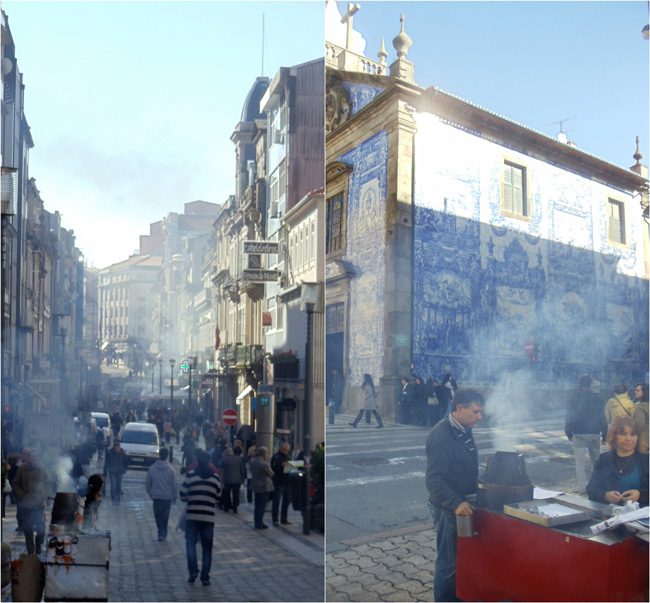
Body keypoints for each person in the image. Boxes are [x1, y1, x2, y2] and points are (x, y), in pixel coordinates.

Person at [426, 389, 485, 603]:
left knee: (460, 560)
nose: (479, 417)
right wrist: (456, 503)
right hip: (447, 509)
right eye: (475, 412)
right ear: (460, 409)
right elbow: (433, 481)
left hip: (462, 503)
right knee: (448, 563)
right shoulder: (441, 436)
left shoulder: (463, 427)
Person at [586, 415, 649, 507]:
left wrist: (640, 494)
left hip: (640, 517)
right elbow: (591, 488)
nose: (628, 439)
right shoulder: (604, 460)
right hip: (610, 515)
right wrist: (606, 495)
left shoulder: (646, 460)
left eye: (633, 434)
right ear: (614, 436)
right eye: (623, 434)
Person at [180, 449, 221, 586]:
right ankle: (205, 576)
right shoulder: (215, 479)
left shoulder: (191, 476)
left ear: (198, 461)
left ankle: (192, 571)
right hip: (208, 518)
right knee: (207, 548)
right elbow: (218, 497)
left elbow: (182, 494)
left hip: (192, 516)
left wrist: (192, 498)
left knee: (190, 545)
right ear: (209, 463)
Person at [565, 374, 607, 491]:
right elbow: (602, 418)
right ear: (590, 384)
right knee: (595, 462)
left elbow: (569, 416)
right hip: (594, 433)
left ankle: (582, 489)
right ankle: (597, 486)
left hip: (579, 434)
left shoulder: (574, 398)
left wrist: (568, 432)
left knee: (580, 464)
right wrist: (605, 434)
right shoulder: (598, 398)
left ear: (580, 384)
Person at [11, 448, 51, 555]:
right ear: (28, 458)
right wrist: (21, 495)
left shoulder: (42, 468)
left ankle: (38, 545)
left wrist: (44, 495)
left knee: (41, 530)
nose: (33, 460)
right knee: (28, 531)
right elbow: (15, 483)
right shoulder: (22, 469)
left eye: (35, 458)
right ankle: (30, 552)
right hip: (26, 505)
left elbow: (49, 483)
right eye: (31, 458)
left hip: (38, 504)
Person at [145, 447, 177, 541]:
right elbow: (174, 484)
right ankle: (164, 532)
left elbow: (147, 482)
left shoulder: (152, 468)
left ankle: (160, 531)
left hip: (157, 496)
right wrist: (175, 495)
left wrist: (149, 492)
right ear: (167, 456)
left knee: (158, 515)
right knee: (165, 516)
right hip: (167, 497)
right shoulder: (171, 469)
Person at [249, 446, 274, 529]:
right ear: (264, 454)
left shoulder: (253, 462)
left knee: (257, 505)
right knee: (262, 506)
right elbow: (271, 474)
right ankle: (260, 523)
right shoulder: (264, 464)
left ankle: (256, 522)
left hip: (256, 486)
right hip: (264, 487)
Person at [270, 441, 292, 526]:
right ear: (281, 448)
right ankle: (275, 519)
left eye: (287, 450)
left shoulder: (288, 457)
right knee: (276, 501)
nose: (286, 451)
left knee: (286, 501)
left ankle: (284, 519)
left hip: (287, 481)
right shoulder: (276, 457)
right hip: (279, 482)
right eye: (285, 449)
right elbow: (274, 468)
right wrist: (281, 466)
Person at [219, 445, 246, 514]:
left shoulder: (225, 458)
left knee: (227, 493)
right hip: (237, 480)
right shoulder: (239, 459)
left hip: (227, 480)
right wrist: (243, 479)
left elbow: (220, 465)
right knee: (235, 494)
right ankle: (235, 508)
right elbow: (242, 470)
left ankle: (226, 507)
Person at [633, 383, 649, 454]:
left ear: (644, 392)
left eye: (638, 390)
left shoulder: (640, 407)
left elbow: (639, 426)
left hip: (643, 443)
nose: (635, 392)